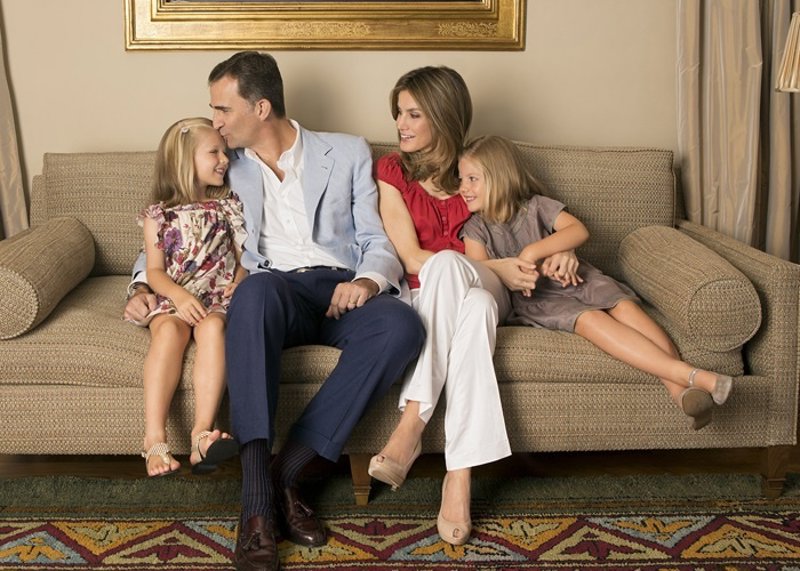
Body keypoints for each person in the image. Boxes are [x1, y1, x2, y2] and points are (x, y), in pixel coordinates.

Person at [125, 52, 424, 571]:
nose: (216, 121)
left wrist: (366, 281)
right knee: (256, 292)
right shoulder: (224, 164)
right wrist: (141, 285)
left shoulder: (347, 151)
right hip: (271, 292)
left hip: (339, 286)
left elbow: (376, 239)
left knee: (403, 325)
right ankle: (257, 505)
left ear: (261, 108)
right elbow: (178, 222)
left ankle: (286, 472)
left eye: (223, 108)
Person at [369, 66, 573, 546]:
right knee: (474, 304)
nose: (400, 124)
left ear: (443, 116)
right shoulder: (392, 171)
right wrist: (497, 267)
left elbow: (534, 218)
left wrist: (561, 251)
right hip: (431, 291)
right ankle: (458, 477)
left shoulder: (477, 168)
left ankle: (412, 423)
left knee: (469, 283)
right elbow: (411, 257)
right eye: (398, 112)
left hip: (492, 282)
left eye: (413, 114)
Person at [459, 135, 733, 432]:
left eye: (472, 179)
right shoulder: (475, 229)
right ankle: (695, 377)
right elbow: (480, 271)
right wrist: (520, 270)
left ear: (500, 176)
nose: (463, 188)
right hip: (540, 299)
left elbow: (578, 230)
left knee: (627, 310)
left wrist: (536, 252)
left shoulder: (536, 206)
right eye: (461, 180)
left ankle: (679, 392)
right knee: (591, 319)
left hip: (579, 279)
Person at [134, 117, 245, 477]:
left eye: (225, 152)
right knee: (168, 332)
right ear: (184, 159)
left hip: (217, 296)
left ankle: (202, 434)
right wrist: (179, 297)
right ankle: (154, 438)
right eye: (214, 152)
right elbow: (154, 271)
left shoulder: (228, 206)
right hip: (176, 295)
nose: (225, 160)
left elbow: (245, 259)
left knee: (214, 329)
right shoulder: (158, 215)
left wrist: (241, 280)